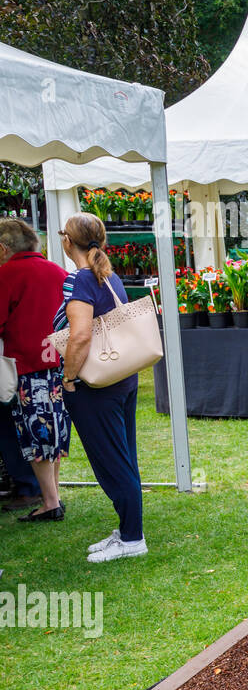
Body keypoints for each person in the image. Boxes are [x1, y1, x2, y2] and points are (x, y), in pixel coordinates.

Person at [57, 214, 150, 559]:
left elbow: (80, 335)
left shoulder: (80, 279)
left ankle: (132, 539)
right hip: (121, 378)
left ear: (68, 241)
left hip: (96, 383)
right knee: (124, 458)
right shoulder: (105, 275)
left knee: (112, 462)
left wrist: (68, 378)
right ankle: (128, 531)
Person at [0, 218, 68, 519]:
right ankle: (52, 495)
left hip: (25, 366)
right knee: (53, 433)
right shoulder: (57, 271)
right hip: (59, 364)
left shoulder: (7, 274)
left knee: (36, 434)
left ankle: (50, 502)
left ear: (3, 248)